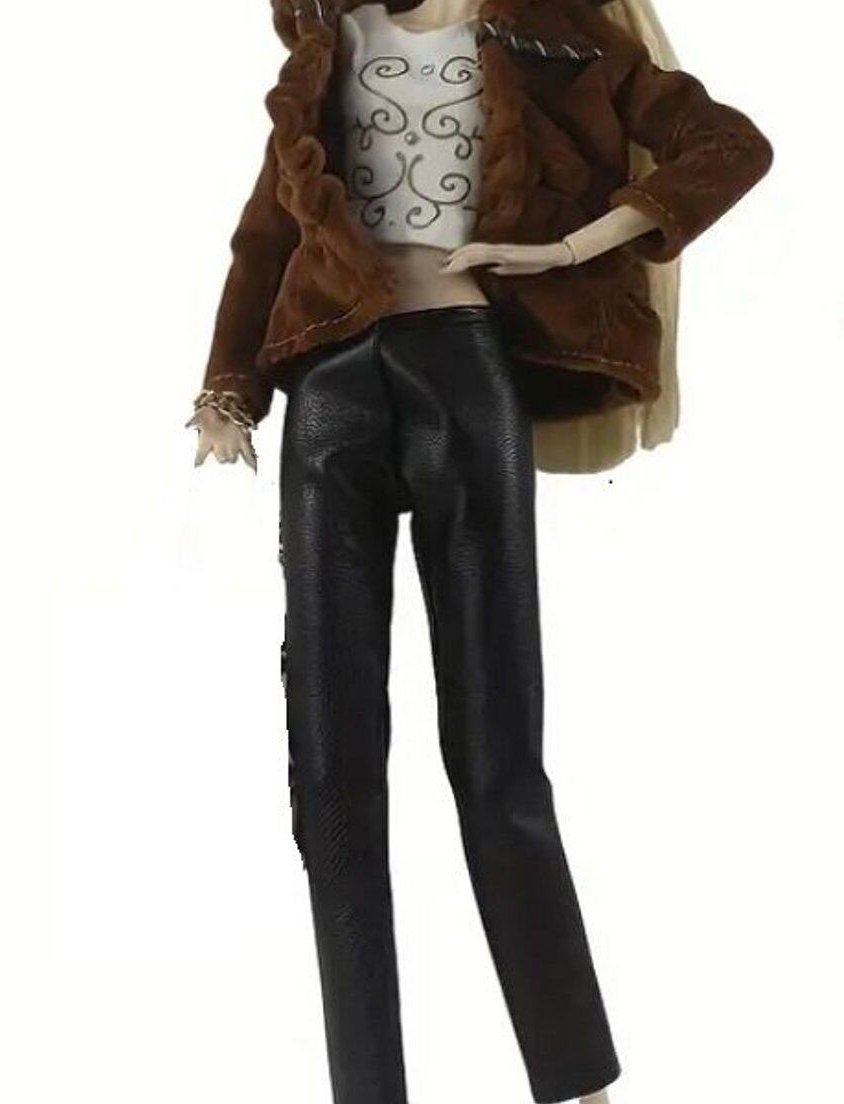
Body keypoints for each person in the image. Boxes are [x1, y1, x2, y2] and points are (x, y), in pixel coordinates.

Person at [186, 2, 773, 1101]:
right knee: (329, 767)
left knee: (498, 754)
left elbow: (727, 146)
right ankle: (367, 1086)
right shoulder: (331, 42)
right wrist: (229, 387)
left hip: (462, 371)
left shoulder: (561, 37)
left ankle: (576, 1078)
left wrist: (565, 247)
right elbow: (267, 228)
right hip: (331, 387)